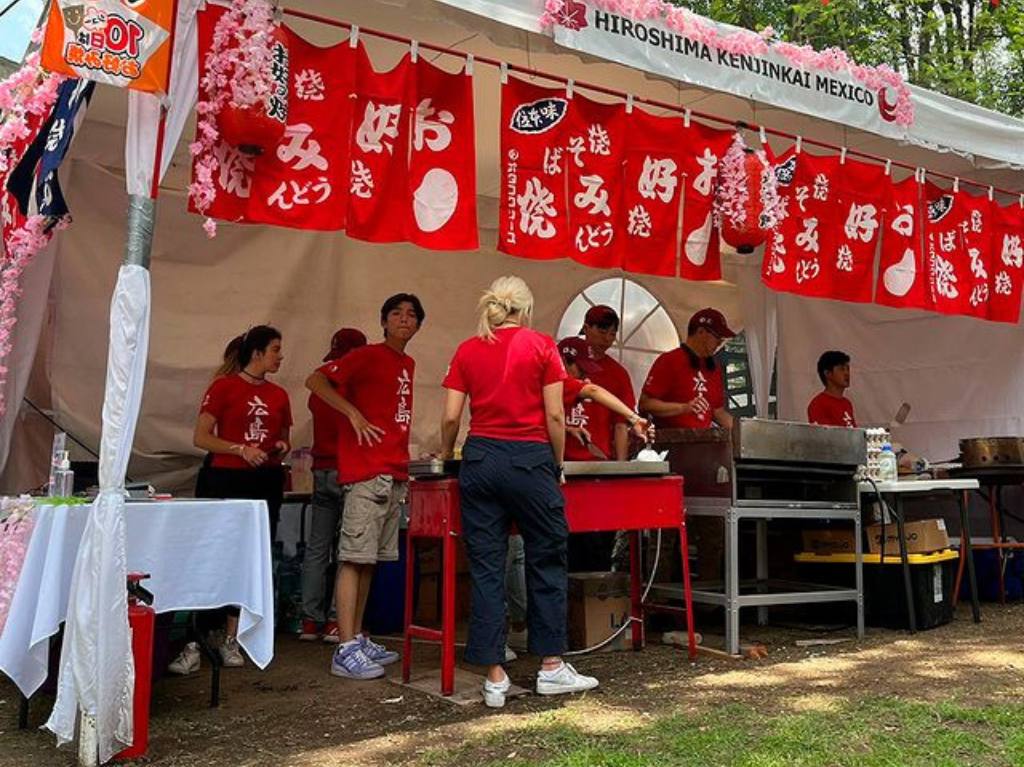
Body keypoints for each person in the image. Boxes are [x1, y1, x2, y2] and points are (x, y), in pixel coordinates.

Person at [440, 275, 598, 709]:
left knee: (488, 565)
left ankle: (494, 677)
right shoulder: (541, 345)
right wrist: (558, 463)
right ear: (525, 309)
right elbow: (553, 414)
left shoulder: (467, 349)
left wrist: (445, 452)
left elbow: (452, 417)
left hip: (480, 458)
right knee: (546, 555)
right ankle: (550, 666)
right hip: (530, 458)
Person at [307, 294, 424, 680]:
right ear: (384, 321)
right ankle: (343, 645)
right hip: (366, 469)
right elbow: (317, 379)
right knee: (354, 556)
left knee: (371, 559)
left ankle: (356, 635)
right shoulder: (368, 355)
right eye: (396, 313)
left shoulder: (406, 362)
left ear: (418, 326)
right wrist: (352, 413)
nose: (404, 320)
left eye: (411, 315)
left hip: (394, 470)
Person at [190, 325, 292, 669]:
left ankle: (234, 636)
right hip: (225, 478)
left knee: (253, 556)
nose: (280, 356)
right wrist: (239, 449)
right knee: (217, 553)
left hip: (264, 480)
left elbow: (283, 437)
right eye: (275, 349)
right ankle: (200, 635)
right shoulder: (224, 387)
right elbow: (201, 437)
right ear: (257, 353)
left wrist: (280, 446)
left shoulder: (280, 395)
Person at [300, 328, 368, 644]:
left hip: (320, 470)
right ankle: (334, 621)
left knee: (316, 548)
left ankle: (309, 620)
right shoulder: (355, 390)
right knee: (349, 551)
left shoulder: (318, 393)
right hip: (348, 470)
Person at [639, 308, 736, 431]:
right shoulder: (670, 360)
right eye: (718, 337)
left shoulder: (713, 368)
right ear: (701, 332)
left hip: (704, 443)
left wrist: (744, 432)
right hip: (672, 443)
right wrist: (683, 408)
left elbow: (718, 412)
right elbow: (645, 404)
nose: (719, 343)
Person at [573, 306, 637, 461]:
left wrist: (621, 467)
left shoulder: (618, 374)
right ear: (586, 328)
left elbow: (620, 424)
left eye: (612, 334)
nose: (607, 339)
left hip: (598, 458)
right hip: (560, 457)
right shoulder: (565, 360)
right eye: (602, 332)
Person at [808, 351, 857, 428]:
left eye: (847, 369)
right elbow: (825, 437)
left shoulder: (847, 403)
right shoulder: (818, 404)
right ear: (828, 373)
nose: (847, 373)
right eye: (841, 369)